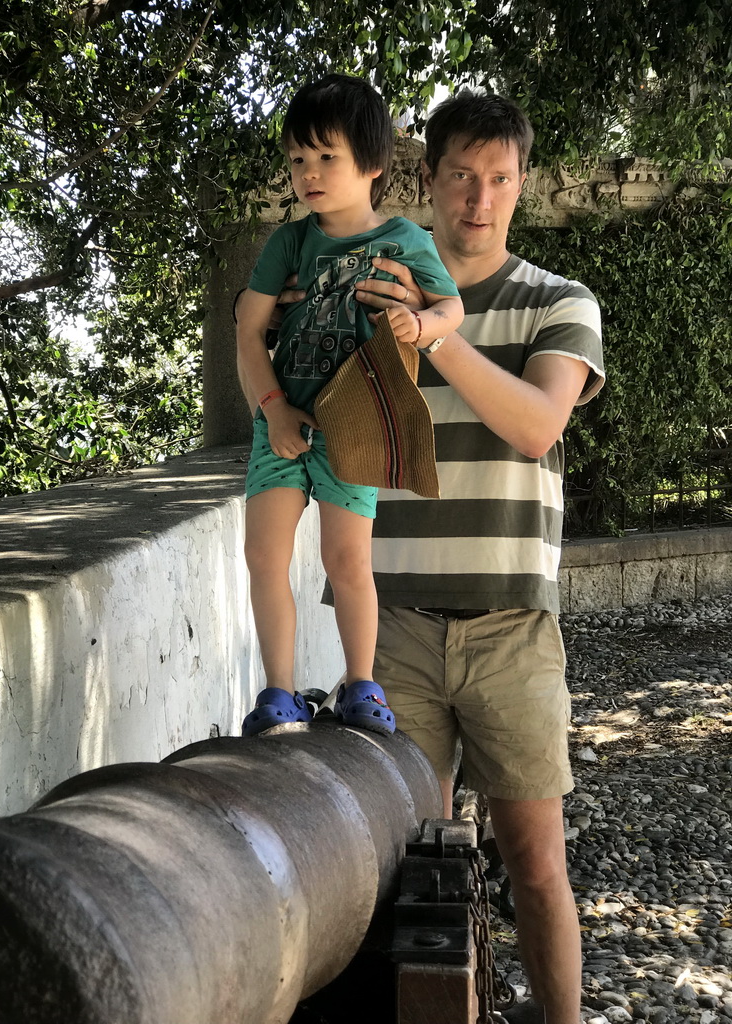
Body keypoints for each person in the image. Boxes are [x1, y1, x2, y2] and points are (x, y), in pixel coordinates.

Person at [344, 91, 605, 1024]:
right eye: (461, 175)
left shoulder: (559, 301)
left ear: (520, 186)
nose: (479, 198)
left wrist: (436, 330)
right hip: (397, 624)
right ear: (429, 179)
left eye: (499, 179)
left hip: (512, 633)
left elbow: (536, 426)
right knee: (405, 866)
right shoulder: (372, 293)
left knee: (536, 863)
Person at [235, 73, 464, 739]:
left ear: (371, 165)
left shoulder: (405, 240)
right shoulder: (289, 242)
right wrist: (272, 410)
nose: (308, 173)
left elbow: (450, 308)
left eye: (326, 157)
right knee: (263, 557)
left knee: (348, 561)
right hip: (282, 419)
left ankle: (361, 683)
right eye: (298, 159)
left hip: (355, 421)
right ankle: (279, 692)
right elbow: (248, 331)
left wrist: (422, 328)